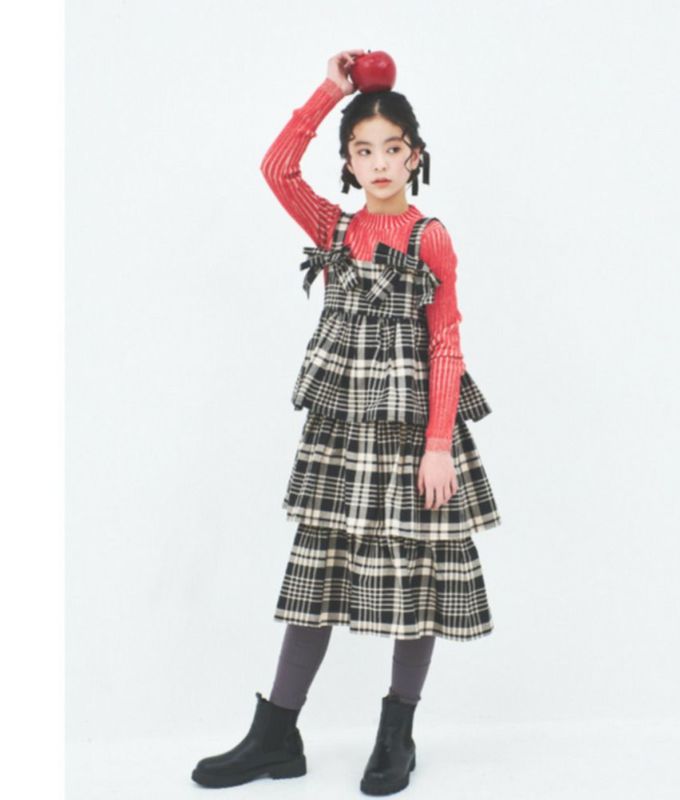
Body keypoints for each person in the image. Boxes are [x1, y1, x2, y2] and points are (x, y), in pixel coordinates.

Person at [191, 49, 501, 796]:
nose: (379, 163)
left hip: (411, 430)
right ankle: (277, 734)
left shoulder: (429, 237)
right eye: (364, 150)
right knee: (317, 572)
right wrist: (330, 91)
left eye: (392, 148)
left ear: (415, 154)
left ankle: (397, 732)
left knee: (416, 576)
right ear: (349, 162)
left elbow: (446, 340)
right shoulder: (333, 227)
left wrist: (438, 446)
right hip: (341, 430)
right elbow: (276, 170)